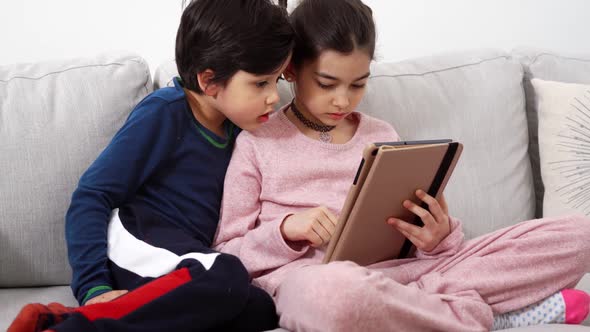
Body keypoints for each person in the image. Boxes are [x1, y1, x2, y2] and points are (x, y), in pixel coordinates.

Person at [213, 0, 590, 331]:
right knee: (331, 296)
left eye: (358, 84)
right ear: (291, 70)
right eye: (327, 84)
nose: (343, 100)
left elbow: (431, 241)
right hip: (314, 280)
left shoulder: (382, 133)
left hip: (415, 274)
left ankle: (419, 308)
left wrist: (438, 236)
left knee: (580, 234)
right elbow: (226, 253)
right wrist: (286, 230)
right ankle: (485, 315)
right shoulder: (256, 143)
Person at [8, 0, 293, 331]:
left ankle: (62, 319)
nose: (274, 97)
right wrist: (93, 287)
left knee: (260, 308)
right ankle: (77, 326)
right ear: (209, 82)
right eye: (261, 84)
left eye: (276, 81)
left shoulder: (239, 129)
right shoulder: (165, 113)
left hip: (180, 259)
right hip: (137, 239)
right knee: (227, 274)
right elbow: (92, 194)